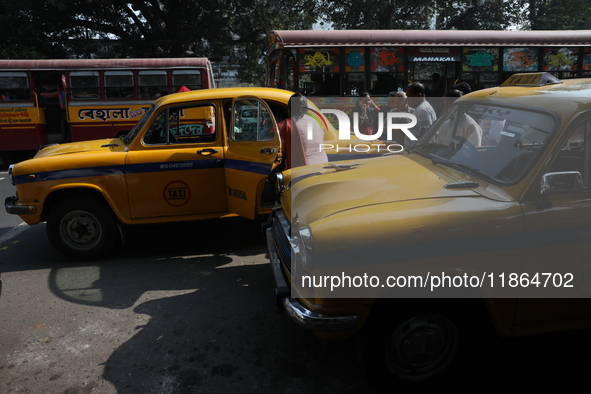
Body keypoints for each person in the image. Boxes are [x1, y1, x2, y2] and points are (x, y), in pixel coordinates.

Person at [276, 92, 328, 169]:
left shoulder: (285, 126)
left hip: (302, 172)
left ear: (290, 109)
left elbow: (278, 152)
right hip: (323, 167)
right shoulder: (317, 122)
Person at [405, 82, 436, 147]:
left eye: (409, 96)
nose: (407, 100)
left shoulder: (422, 111)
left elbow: (425, 137)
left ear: (419, 96)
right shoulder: (420, 108)